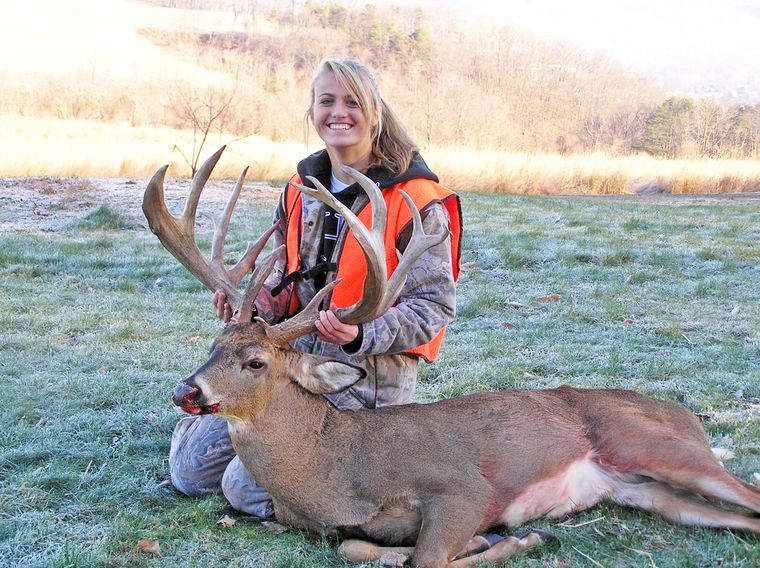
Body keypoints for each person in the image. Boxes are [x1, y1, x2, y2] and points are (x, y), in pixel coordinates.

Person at [168, 58, 463, 517]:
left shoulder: (418, 201)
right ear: (312, 112)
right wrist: (262, 304)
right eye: (326, 101)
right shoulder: (299, 190)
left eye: (352, 102)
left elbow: (434, 307)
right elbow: (288, 278)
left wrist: (361, 334)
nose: (338, 112)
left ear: (375, 113)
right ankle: (211, 429)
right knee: (190, 474)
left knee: (242, 487)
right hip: (285, 366)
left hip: (363, 380)